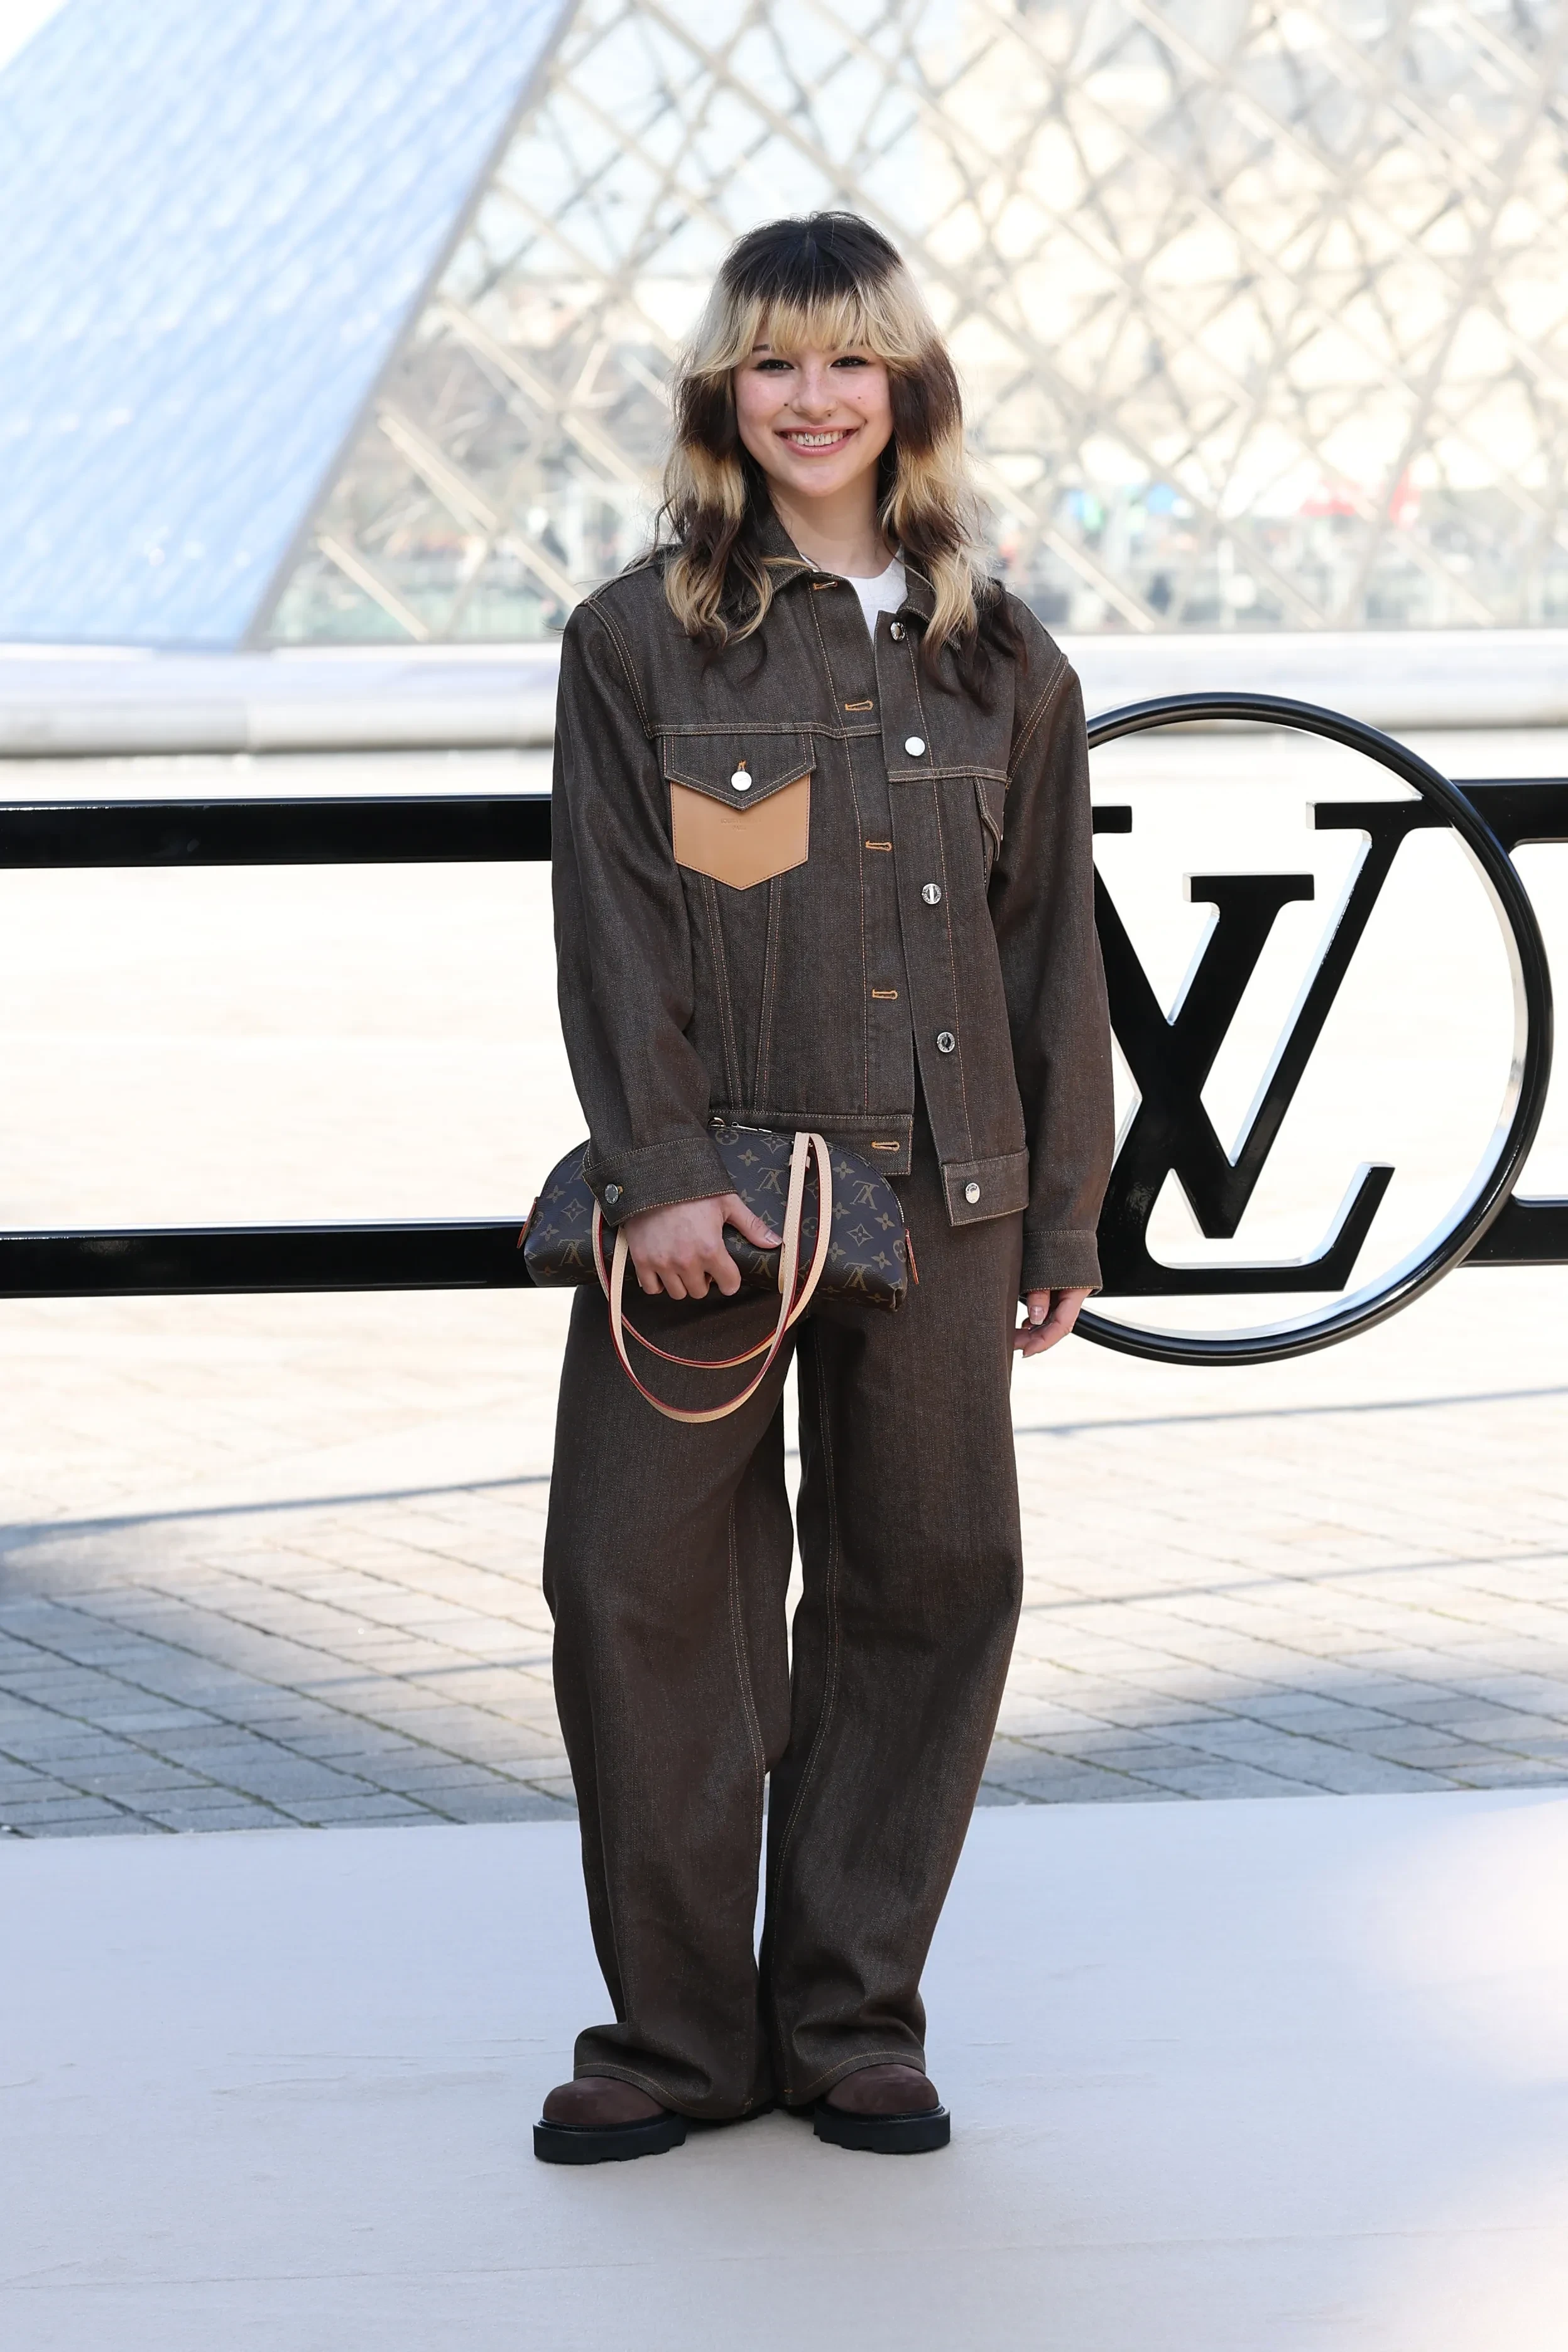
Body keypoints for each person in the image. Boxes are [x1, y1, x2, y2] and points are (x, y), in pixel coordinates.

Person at [535, 212, 1113, 2164]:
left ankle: (854, 2019)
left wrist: (1061, 1215)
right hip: (713, 1199)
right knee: (636, 1582)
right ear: (726, 394)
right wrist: (657, 1174)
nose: (811, 396)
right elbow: (615, 927)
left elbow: (1053, 958)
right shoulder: (638, 641)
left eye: (848, 357)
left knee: (926, 1588)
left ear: (905, 387)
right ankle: (678, 2043)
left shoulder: (1006, 655)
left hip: (948, 1197)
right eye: (774, 361)